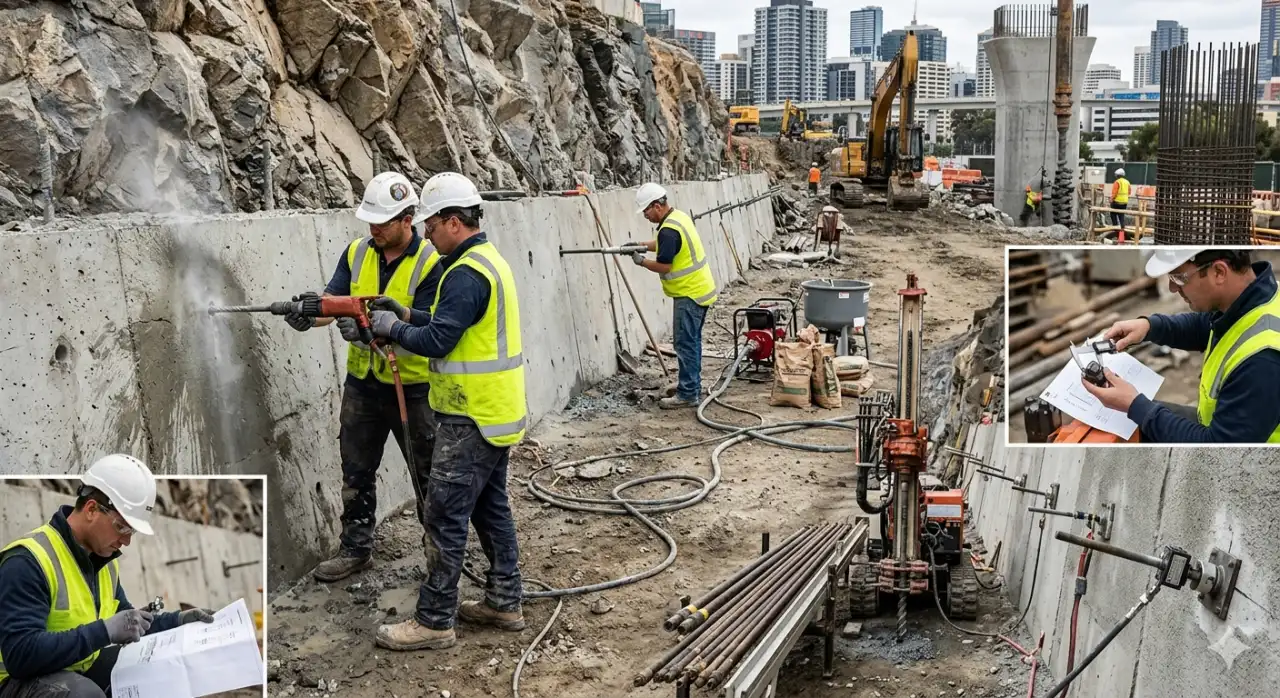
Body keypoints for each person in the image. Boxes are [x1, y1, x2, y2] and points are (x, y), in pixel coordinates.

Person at [367, 172, 526, 651]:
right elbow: (446, 321)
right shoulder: (485, 260)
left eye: (432, 224)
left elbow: (440, 339)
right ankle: (504, 600)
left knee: (443, 514)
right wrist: (408, 313)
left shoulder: (463, 273)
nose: (428, 234)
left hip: (469, 417)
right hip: (495, 412)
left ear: (454, 221)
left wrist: (393, 329)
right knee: (489, 508)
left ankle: (434, 619)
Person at [286, 172, 440, 582]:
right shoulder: (356, 252)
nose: (373, 227)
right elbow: (334, 303)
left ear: (408, 219)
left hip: (415, 391)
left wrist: (371, 329)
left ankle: (439, 556)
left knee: (428, 476)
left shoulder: (430, 263)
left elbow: (427, 331)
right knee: (356, 470)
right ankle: (356, 548)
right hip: (363, 386)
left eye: (383, 221)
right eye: (370, 219)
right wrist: (308, 313)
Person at [0, 455, 215, 698]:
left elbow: (132, 622)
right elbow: (20, 656)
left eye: (131, 531)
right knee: (84, 695)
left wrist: (178, 621)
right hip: (14, 682)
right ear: (91, 509)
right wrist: (103, 632)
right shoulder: (29, 560)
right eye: (122, 527)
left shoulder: (103, 565)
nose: (127, 541)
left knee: (155, 669)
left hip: (70, 668)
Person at [1083, 248, 1280, 443]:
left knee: (1136, 416)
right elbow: (1207, 325)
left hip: (1247, 463)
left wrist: (1134, 405)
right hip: (1228, 431)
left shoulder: (1263, 362)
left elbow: (1218, 453)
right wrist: (1150, 327)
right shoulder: (1257, 299)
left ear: (1219, 272)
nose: (1172, 288)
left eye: (1179, 278)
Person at [630, 183, 719, 409]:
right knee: (692, 342)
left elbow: (664, 265)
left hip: (688, 294)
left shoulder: (669, 230)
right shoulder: (676, 218)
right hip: (699, 290)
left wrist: (641, 262)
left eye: (646, 211)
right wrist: (640, 245)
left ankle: (688, 393)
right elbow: (663, 245)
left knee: (685, 344)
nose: (646, 216)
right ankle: (689, 385)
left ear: (657, 206)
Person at [1110, 168, 1130, 237]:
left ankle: (1115, 229)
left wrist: (1111, 199)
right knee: (1121, 216)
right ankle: (1122, 232)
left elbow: (1114, 193)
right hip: (1124, 203)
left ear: (1117, 175)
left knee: (1113, 214)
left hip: (1116, 202)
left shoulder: (1117, 182)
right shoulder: (1127, 182)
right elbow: (1129, 192)